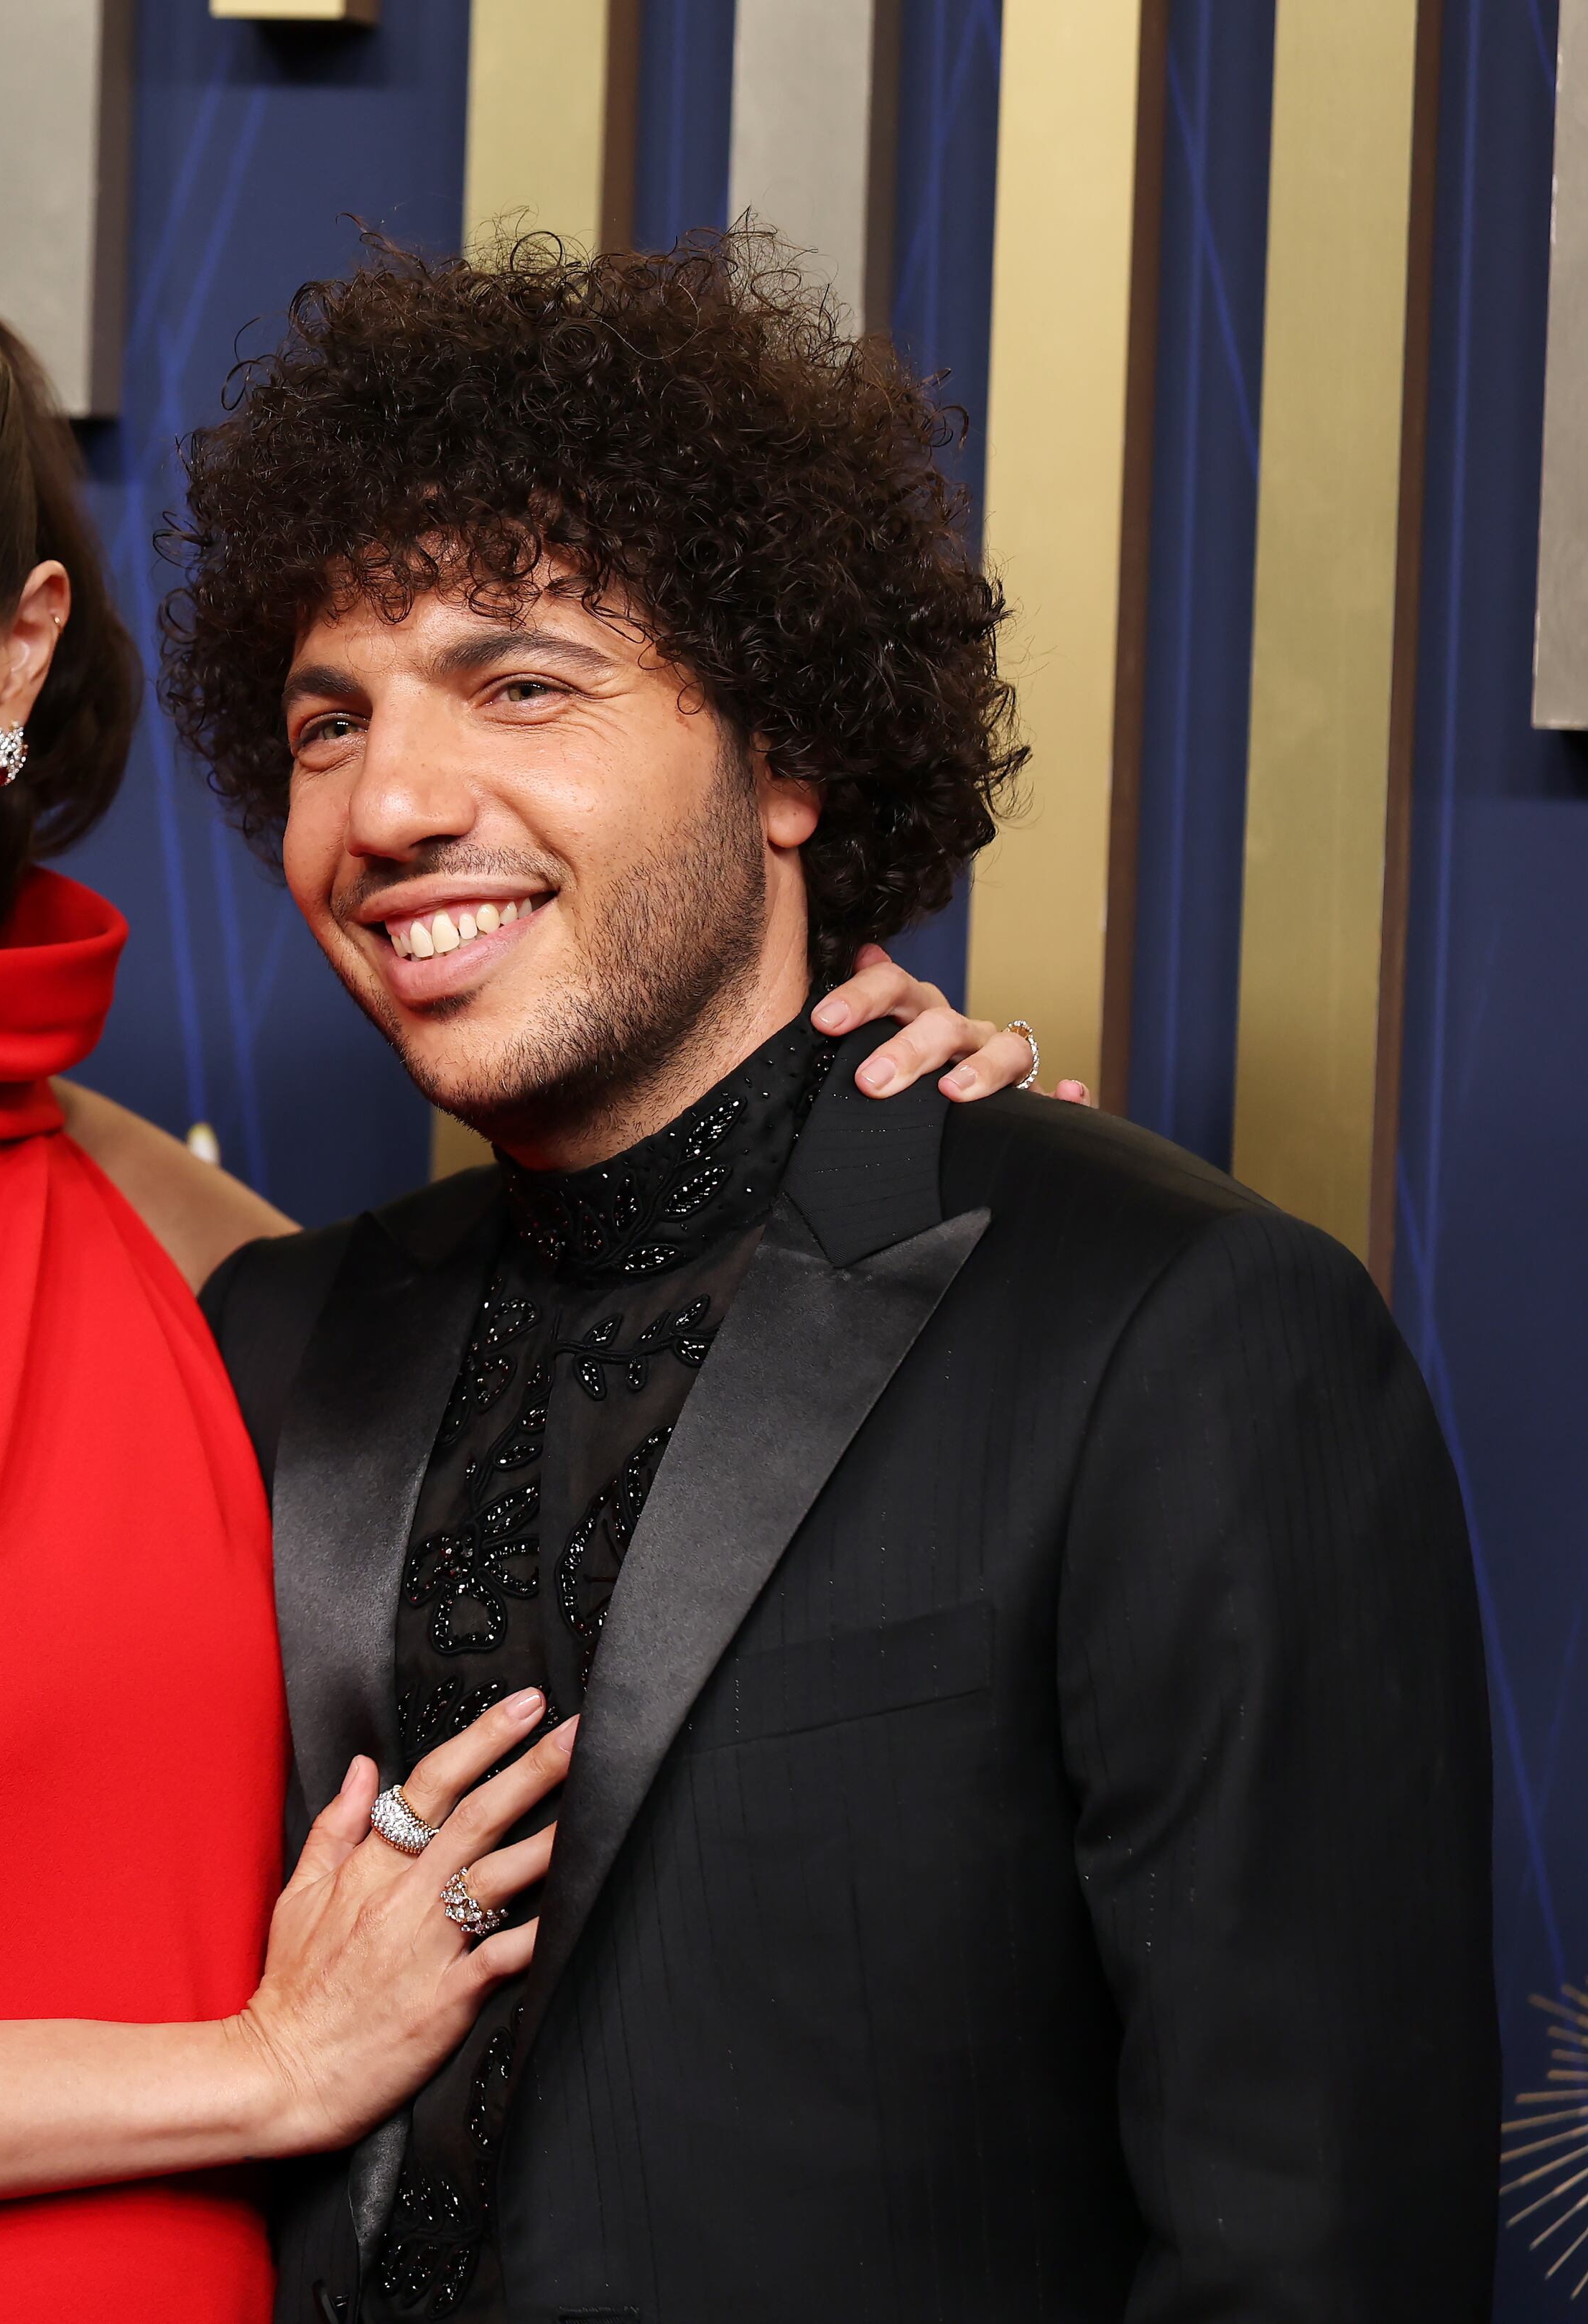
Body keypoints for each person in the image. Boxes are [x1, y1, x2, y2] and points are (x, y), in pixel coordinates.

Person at [0, 220, 1041, 2324]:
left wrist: (829, 1097)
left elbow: (642, 1405)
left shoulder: (196, 1244)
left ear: (14, 652)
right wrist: (257, 2068)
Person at [171, 231, 1496, 2323]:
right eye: (328, 720)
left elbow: (1317, 2247)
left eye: (522, 680)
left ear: (786, 760)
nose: (394, 800)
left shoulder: (1170, 1329)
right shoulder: (262, 1347)